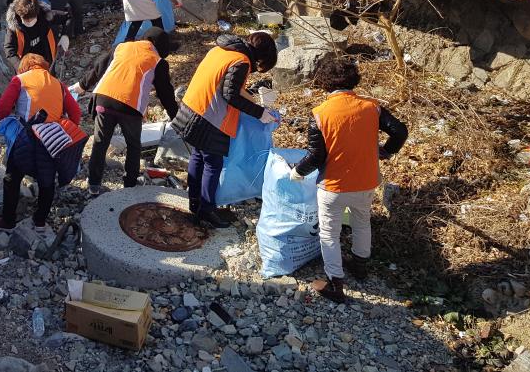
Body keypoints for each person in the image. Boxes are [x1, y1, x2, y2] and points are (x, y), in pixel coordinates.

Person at [290, 54, 408, 303]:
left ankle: (336, 283)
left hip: (333, 186)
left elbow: (316, 157)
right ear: (353, 80)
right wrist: (386, 151)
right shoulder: (372, 107)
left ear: (323, 82)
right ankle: (360, 266)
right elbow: (400, 130)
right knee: (362, 222)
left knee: (329, 234)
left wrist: (298, 171)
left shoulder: (321, 114)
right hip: (366, 182)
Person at [172, 32, 280, 228]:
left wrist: (252, 100)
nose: (257, 70)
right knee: (213, 163)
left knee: (198, 156)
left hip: (190, 108)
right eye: (262, 65)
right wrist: (260, 114)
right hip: (207, 116)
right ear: (261, 57)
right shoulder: (242, 61)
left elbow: (227, 84)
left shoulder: (222, 49)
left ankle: (194, 202)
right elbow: (230, 94)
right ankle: (206, 210)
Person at [72, 28, 179, 196]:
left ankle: (93, 184)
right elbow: (165, 93)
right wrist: (176, 117)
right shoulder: (158, 61)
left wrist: (83, 85)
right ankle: (129, 184)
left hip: (104, 99)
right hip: (130, 106)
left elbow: (99, 66)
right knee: (133, 146)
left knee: (100, 143)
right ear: (160, 46)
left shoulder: (122, 47)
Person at [0, 54, 86, 232]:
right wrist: (63, 128)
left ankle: (8, 220)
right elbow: (75, 113)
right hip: (51, 139)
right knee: (46, 179)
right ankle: (40, 221)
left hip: (27, 135)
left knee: (12, 177)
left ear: (24, 66)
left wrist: (6, 123)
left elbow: (3, 105)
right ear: (43, 67)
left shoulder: (19, 79)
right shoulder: (58, 84)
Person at [3, 0, 70, 71]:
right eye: (25, 20)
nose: (29, 22)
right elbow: (9, 50)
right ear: (19, 16)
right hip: (25, 65)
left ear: (37, 14)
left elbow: (68, 17)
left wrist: (65, 36)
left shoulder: (46, 16)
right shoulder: (14, 26)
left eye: (32, 19)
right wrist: (21, 67)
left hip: (47, 62)